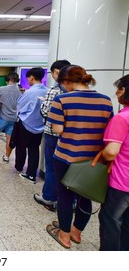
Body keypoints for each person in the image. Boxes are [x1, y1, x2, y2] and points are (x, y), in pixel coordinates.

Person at [46, 65, 113, 249]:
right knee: (85, 197)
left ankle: (64, 236)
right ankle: (76, 233)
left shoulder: (61, 100)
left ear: (66, 82)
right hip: (93, 161)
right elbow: (109, 130)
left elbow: (58, 129)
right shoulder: (106, 101)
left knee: (65, 197)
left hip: (67, 156)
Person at [34, 60, 71, 211]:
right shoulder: (76, 92)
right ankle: (70, 201)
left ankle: (49, 197)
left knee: (51, 166)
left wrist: (43, 104)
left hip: (53, 133)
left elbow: (46, 112)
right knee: (69, 169)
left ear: (57, 72)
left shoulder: (54, 91)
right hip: (70, 136)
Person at [99, 74, 129, 251]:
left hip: (122, 182)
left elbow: (111, 152)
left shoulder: (122, 118)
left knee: (111, 222)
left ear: (123, 90)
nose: (116, 93)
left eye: (117, 88)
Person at [15, 67, 48, 183]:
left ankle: (19, 167)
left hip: (26, 124)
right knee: (34, 149)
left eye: (28, 78)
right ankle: (31, 174)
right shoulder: (47, 91)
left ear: (32, 78)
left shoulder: (29, 92)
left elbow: (19, 106)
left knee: (21, 146)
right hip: (40, 126)